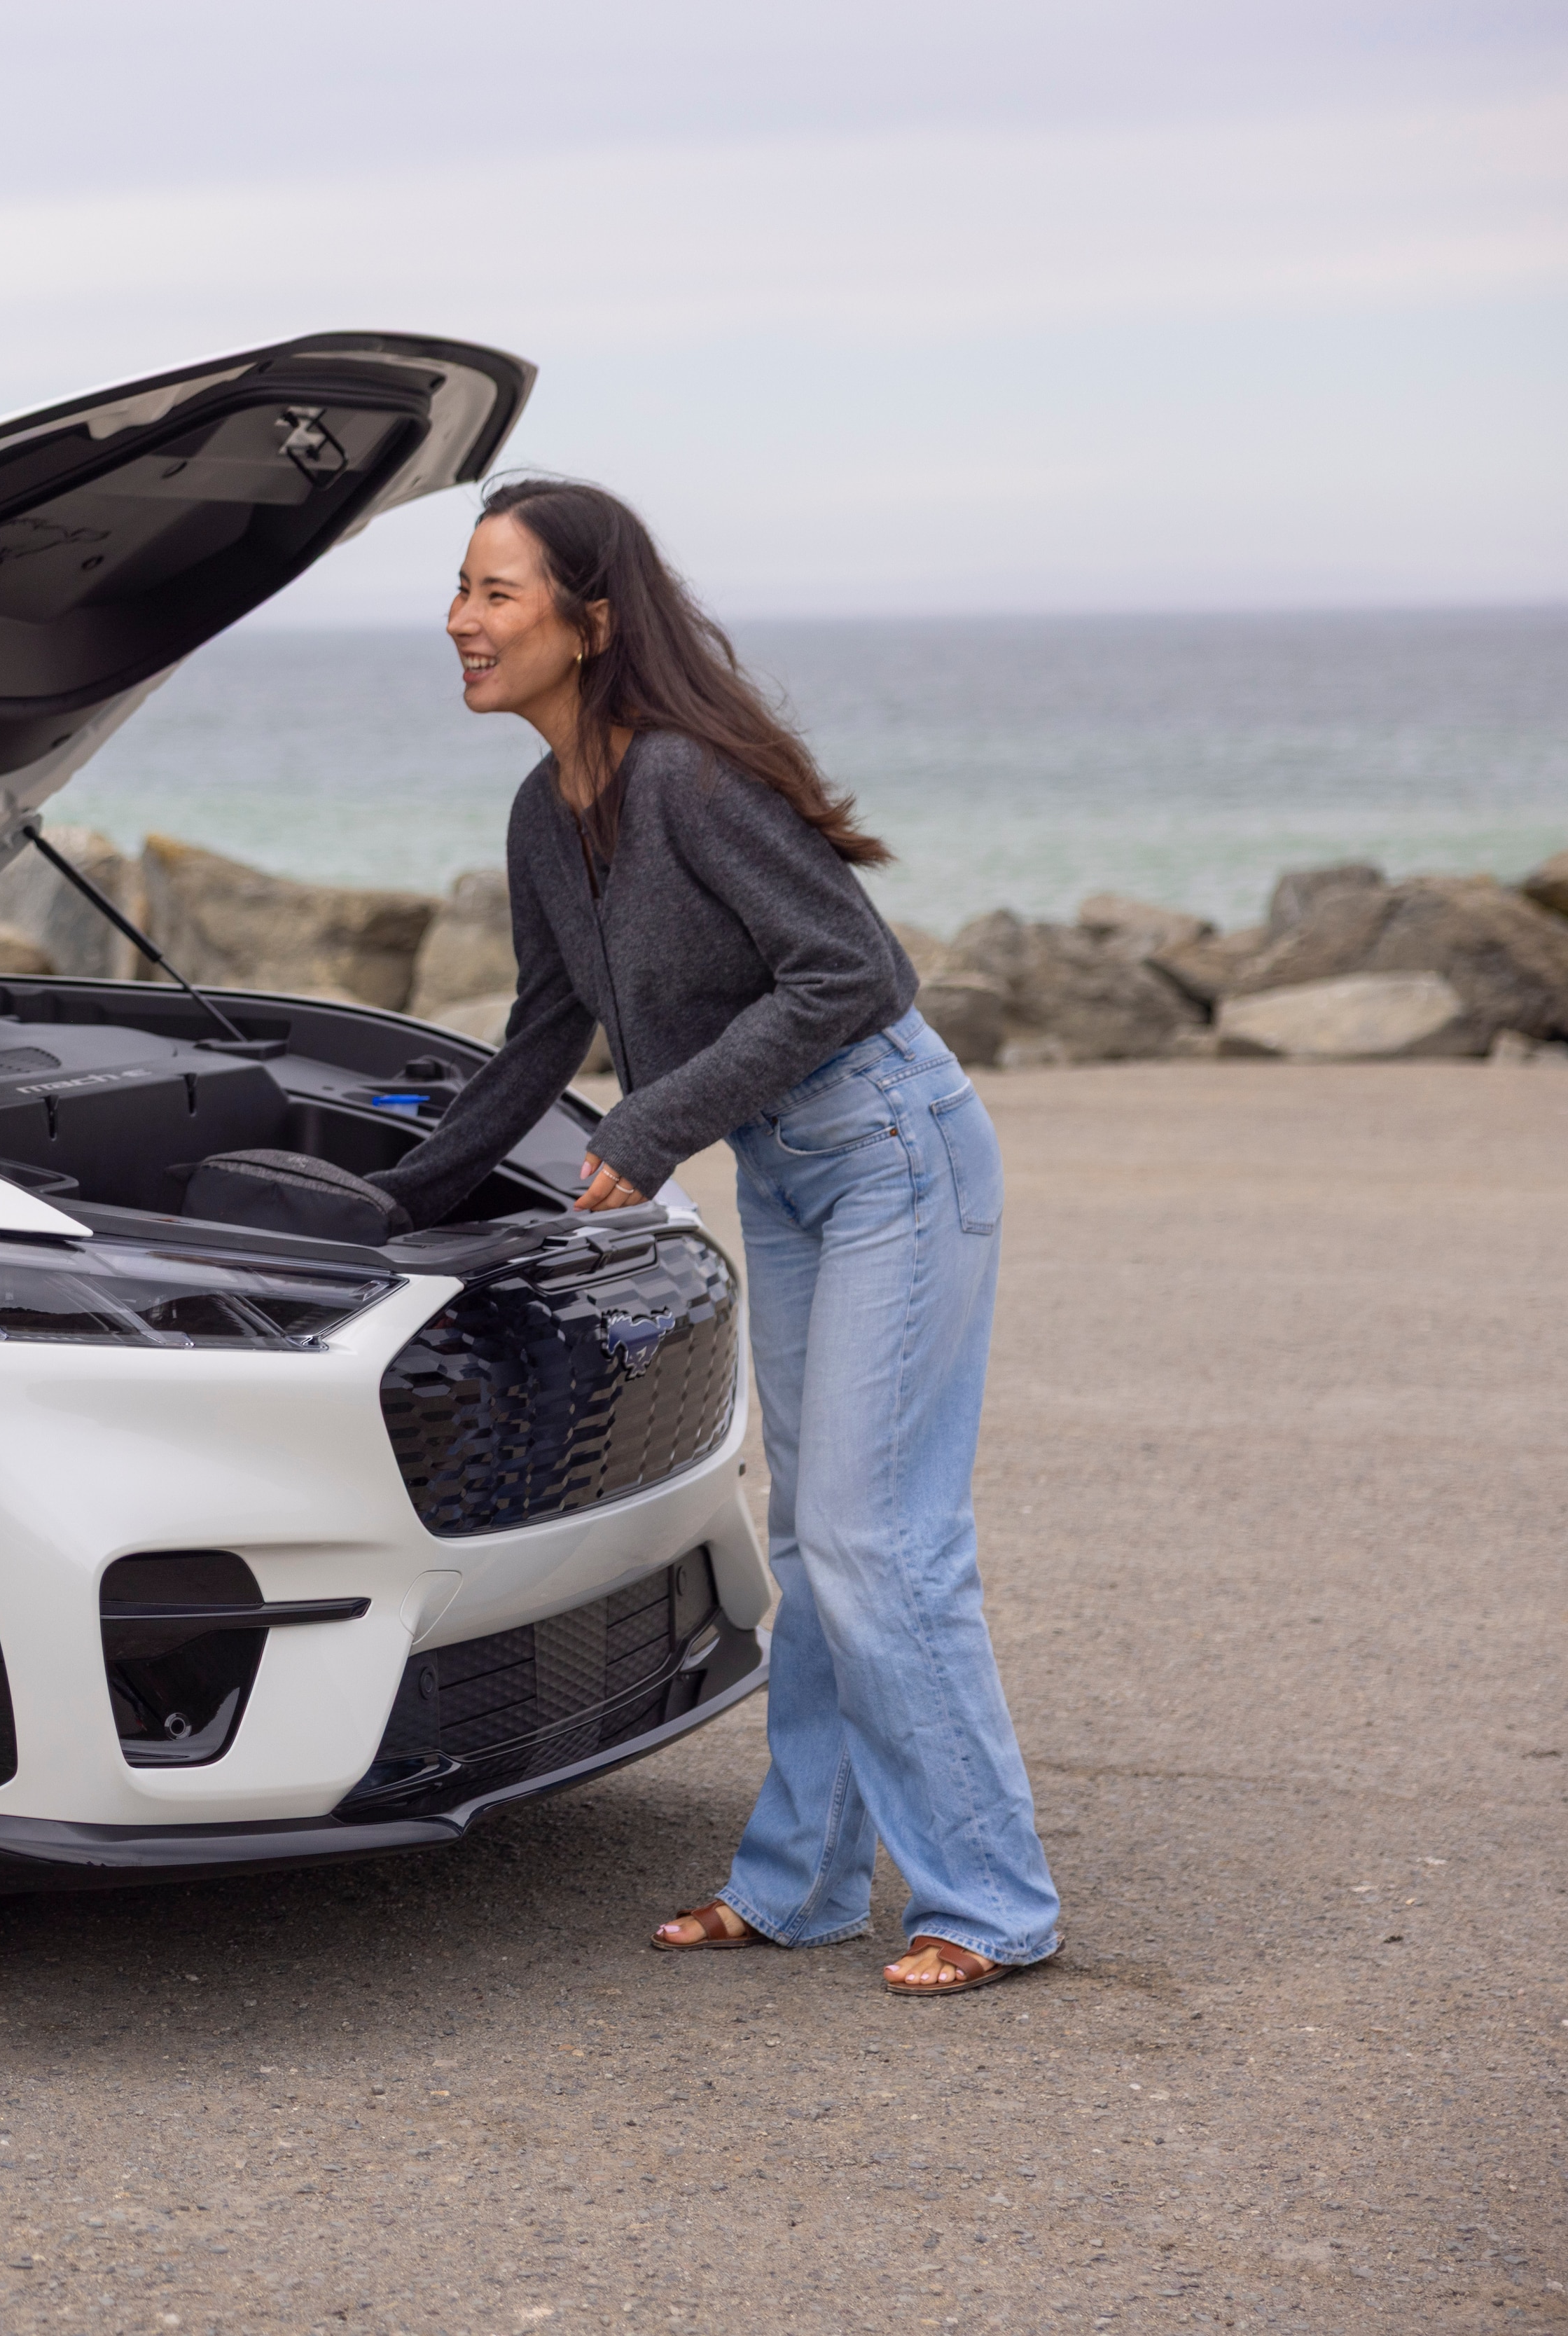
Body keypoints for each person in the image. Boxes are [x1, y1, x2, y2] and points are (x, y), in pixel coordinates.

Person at [372, 477, 1061, 1997]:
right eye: (461, 589)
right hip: (797, 1176)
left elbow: (848, 977)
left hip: (891, 1147)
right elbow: (542, 1037)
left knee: (884, 1544)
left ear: (588, 622)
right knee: (816, 1545)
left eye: (495, 594)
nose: (458, 622)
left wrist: (651, 1125)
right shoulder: (543, 813)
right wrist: (389, 1204)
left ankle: (993, 1900)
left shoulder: (683, 780)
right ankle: (804, 1885)